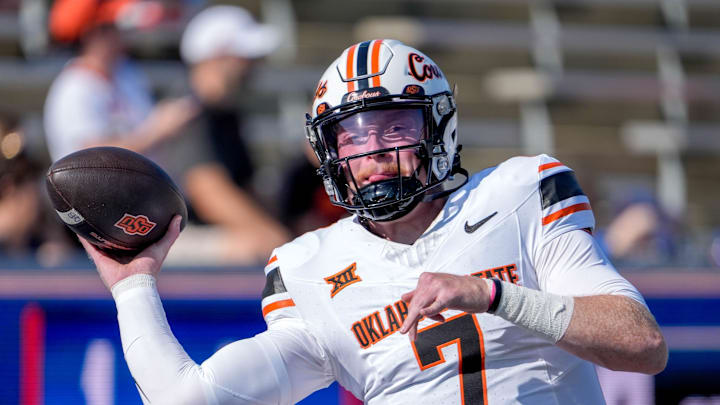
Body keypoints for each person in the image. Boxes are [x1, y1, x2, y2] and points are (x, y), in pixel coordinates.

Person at [80, 40, 667, 403]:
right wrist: (133, 285)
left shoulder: (520, 193)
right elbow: (190, 402)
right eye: (353, 138)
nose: (374, 154)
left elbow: (641, 343)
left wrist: (493, 295)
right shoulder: (309, 268)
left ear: (438, 128)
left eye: (394, 128)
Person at [43, 0, 197, 161]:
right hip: (100, 187)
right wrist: (158, 130)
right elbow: (92, 159)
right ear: (94, 33)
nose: (125, 34)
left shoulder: (126, 72)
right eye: (116, 27)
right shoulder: (74, 88)